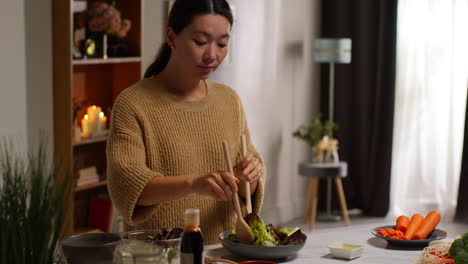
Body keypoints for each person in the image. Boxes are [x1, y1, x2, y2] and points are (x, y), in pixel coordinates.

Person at [106, 0, 266, 244]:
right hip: (159, 255)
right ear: (171, 36)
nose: (212, 55)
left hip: (222, 254)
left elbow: (246, 184)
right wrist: (195, 183)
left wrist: (251, 176)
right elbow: (127, 185)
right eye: (200, 42)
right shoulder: (133, 103)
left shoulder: (229, 100)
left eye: (222, 43)